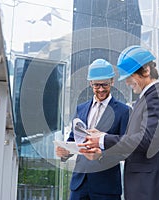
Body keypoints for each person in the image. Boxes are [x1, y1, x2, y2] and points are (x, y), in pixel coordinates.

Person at [79, 46, 159, 200]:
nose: (127, 82)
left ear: (146, 70)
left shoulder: (157, 97)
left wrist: (103, 138)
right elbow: (132, 146)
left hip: (150, 187)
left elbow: (147, 141)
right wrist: (101, 154)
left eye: (129, 76)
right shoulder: (143, 100)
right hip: (141, 187)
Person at [56, 59, 130, 200]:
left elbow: (125, 149)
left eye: (105, 85)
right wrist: (65, 152)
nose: (101, 89)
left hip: (106, 186)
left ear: (112, 82)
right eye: (97, 85)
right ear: (90, 83)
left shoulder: (123, 111)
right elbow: (73, 139)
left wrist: (101, 155)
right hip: (80, 184)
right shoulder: (81, 109)